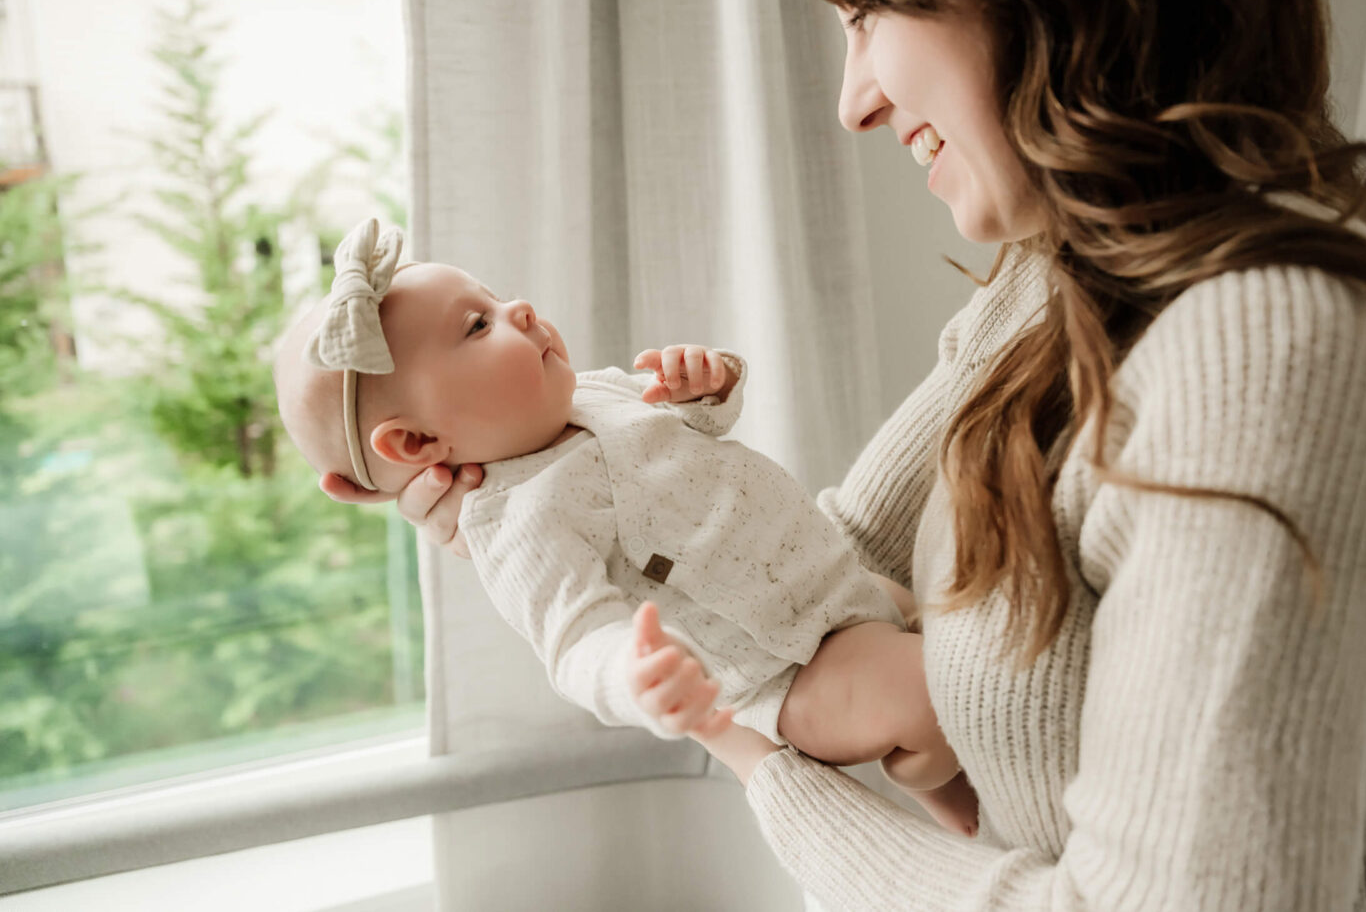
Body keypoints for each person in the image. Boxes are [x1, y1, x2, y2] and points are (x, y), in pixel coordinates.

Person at [325, 0, 1366, 907]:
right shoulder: (1062, 285)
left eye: (864, 13)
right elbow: (809, 551)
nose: (853, 103)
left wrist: (757, 757)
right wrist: (520, 497)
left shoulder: (1265, 354)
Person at [277, 218, 981, 835]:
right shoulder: (520, 521)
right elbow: (575, 637)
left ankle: (948, 777)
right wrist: (633, 673)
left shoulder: (591, 390)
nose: (516, 308)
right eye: (477, 325)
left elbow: (700, 433)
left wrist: (710, 386)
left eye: (492, 296)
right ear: (418, 444)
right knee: (940, 688)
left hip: (838, 580)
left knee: (955, 615)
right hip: (792, 667)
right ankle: (933, 776)